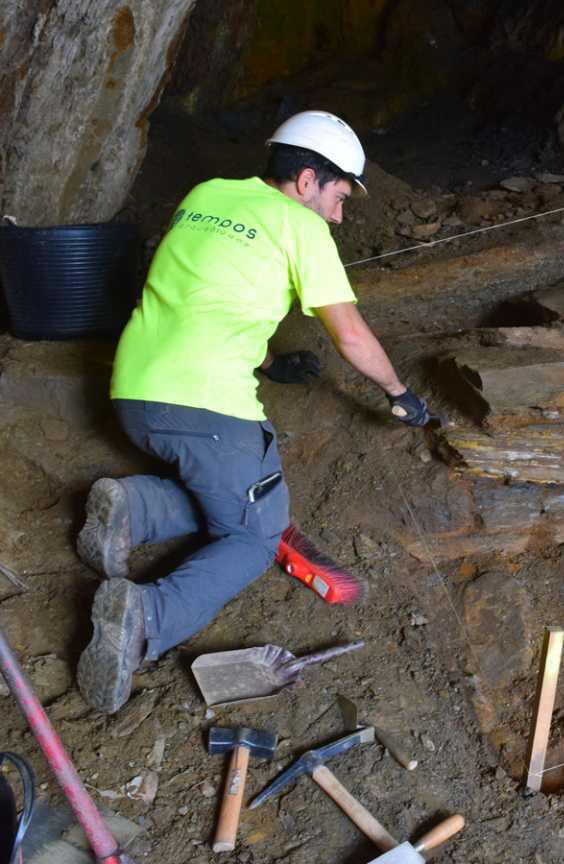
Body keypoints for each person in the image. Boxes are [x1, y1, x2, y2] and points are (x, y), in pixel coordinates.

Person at [74, 111, 433, 713]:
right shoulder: (302, 226)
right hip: (204, 407)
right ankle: (145, 617)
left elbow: (208, 293)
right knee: (254, 535)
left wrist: (268, 364)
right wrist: (399, 392)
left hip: (133, 393)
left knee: (227, 489)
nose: (339, 215)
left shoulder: (207, 194)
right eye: (339, 197)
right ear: (306, 180)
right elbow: (350, 335)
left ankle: (131, 510)